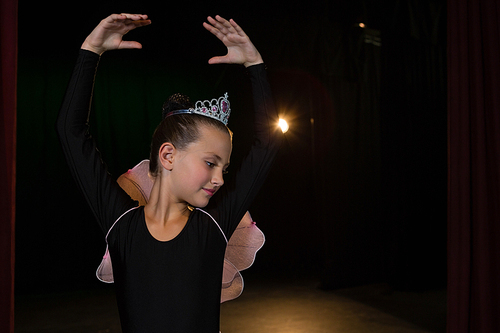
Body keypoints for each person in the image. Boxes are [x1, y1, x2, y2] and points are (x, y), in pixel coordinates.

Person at [57, 13, 282, 332]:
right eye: (210, 163)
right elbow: (71, 131)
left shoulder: (213, 228)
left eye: (224, 168)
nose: (219, 179)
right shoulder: (121, 225)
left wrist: (255, 65)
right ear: (167, 155)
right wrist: (92, 49)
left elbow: (267, 143)